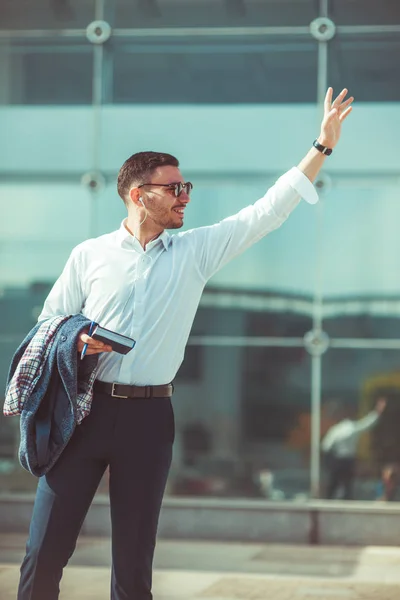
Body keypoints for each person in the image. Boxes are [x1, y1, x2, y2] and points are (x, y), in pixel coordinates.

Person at [17, 87, 353, 600]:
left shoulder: (194, 252)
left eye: (185, 186)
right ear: (138, 194)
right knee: (44, 551)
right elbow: (48, 324)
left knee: (133, 562)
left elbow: (266, 212)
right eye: (173, 188)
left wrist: (321, 148)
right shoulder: (91, 255)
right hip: (81, 412)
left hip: (149, 420)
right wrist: (80, 339)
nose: (185, 196)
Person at [321, 397, 386, 500]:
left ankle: (331, 499)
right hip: (345, 460)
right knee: (345, 483)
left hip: (340, 459)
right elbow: (366, 424)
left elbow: (326, 446)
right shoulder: (349, 427)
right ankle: (340, 498)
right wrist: (377, 412)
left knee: (337, 483)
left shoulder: (338, 429)